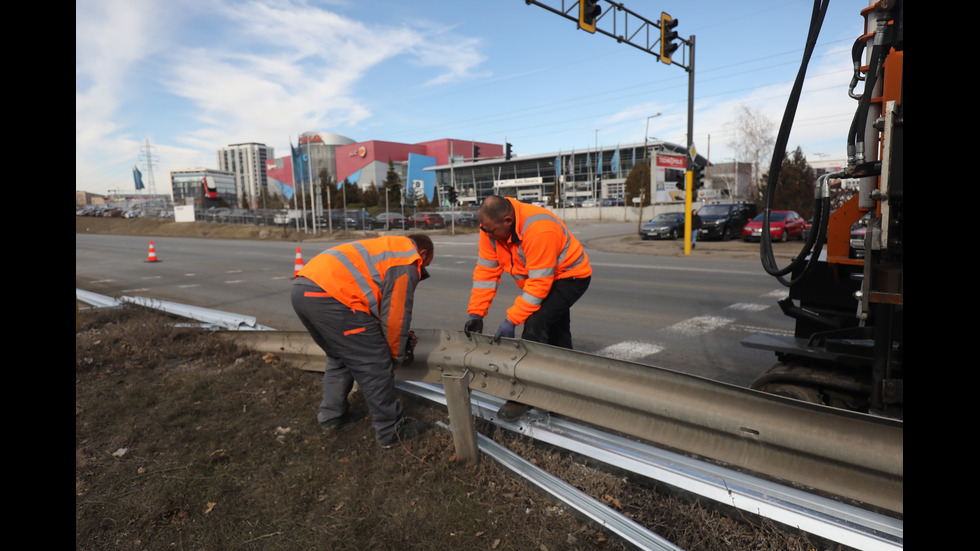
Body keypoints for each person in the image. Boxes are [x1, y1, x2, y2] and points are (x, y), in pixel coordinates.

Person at [291, 234, 433, 448]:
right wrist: (395, 355)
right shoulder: (408, 259)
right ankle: (391, 430)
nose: (419, 272)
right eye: (423, 267)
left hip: (303, 289)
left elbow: (368, 303)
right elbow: (396, 315)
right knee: (374, 363)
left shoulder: (386, 247)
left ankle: (332, 418)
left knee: (340, 358)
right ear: (422, 253)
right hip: (330, 297)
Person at [463, 195, 592, 421]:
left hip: (571, 277)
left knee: (536, 323)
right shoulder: (490, 230)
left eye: (491, 230)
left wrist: (511, 320)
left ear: (508, 221)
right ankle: (567, 389)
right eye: (485, 230)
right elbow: (486, 273)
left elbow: (539, 284)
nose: (487, 234)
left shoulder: (539, 228)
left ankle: (524, 393)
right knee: (557, 333)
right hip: (543, 278)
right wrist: (477, 312)